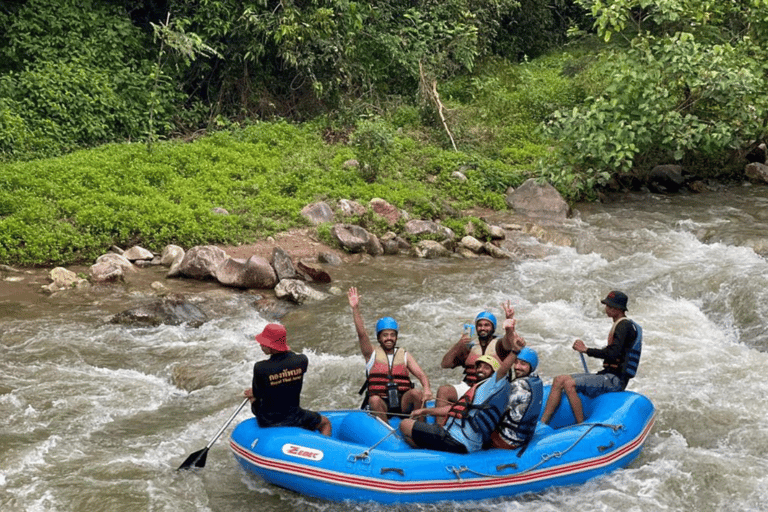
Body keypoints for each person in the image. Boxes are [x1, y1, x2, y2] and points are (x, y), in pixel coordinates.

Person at [398, 318, 526, 454]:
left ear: (494, 373)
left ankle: (430, 454)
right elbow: (457, 408)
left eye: (486, 368)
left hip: (456, 439)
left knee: (404, 424)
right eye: (479, 367)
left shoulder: (492, 385)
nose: (480, 370)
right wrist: (425, 411)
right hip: (464, 439)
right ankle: (432, 447)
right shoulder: (483, 391)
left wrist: (515, 351)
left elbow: (503, 369)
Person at [540, 290, 642, 425]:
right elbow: (614, 351)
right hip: (607, 375)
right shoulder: (621, 325)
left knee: (569, 383)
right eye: (607, 305)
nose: (607, 309)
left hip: (615, 379)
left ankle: (580, 424)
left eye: (610, 306)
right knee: (559, 380)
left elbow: (613, 354)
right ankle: (542, 423)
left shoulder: (624, 326)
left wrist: (586, 350)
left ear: (619, 309)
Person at [347, 287, 432, 423]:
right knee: (373, 399)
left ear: (396, 337)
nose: (389, 338)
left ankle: (421, 428)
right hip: (382, 403)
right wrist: (355, 308)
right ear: (379, 338)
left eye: (392, 335)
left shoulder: (404, 354)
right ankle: (386, 433)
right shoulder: (371, 353)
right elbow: (361, 334)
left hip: (402, 401)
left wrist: (427, 389)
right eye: (385, 335)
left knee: (417, 393)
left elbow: (422, 375)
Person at [244, 323, 331, 436]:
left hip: (267, 421)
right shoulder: (302, 360)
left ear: (271, 346)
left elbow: (258, 395)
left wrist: (252, 395)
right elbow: (288, 363)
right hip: (295, 417)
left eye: (263, 343)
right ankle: (322, 449)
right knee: (325, 423)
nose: (261, 344)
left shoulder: (260, 367)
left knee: (253, 395)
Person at [436, 302, 517, 410]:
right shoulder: (469, 346)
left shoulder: (500, 345)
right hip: (469, 387)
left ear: (493, 328)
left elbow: (510, 341)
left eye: (486, 325)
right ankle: (440, 426)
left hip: (492, 390)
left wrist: (509, 322)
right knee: (443, 390)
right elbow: (445, 364)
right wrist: (458, 345)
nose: (483, 328)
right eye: (480, 325)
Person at [488, 347, 543, 450]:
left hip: (508, 439)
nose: (517, 367)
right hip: (523, 436)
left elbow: (496, 410)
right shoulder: (535, 381)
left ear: (531, 366)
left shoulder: (519, 385)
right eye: (516, 362)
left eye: (523, 364)